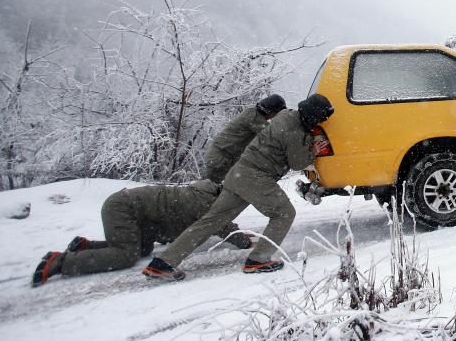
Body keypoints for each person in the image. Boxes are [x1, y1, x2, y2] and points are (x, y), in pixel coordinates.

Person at [143, 93, 334, 280]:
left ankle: (163, 262)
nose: (319, 123)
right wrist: (313, 150)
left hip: (238, 173)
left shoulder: (285, 116)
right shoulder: (295, 131)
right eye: (319, 120)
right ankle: (258, 259)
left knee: (211, 220)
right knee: (284, 213)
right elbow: (298, 163)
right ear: (312, 116)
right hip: (257, 177)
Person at [31, 179, 252, 287]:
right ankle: (60, 262)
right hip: (123, 208)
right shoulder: (205, 203)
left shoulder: (203, 192)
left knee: (142, 249)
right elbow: (223, 225)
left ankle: (86, 247)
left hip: (130, 209)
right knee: (126, 255)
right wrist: (248, 242)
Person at [203, 94, 287, 184]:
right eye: (277, 114)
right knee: (207, 188)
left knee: (215, 187)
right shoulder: (254, 117)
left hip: (226, 156)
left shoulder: (253, 113)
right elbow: (272, 135)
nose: (275, 117)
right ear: (270, 111)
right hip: (221, 157)